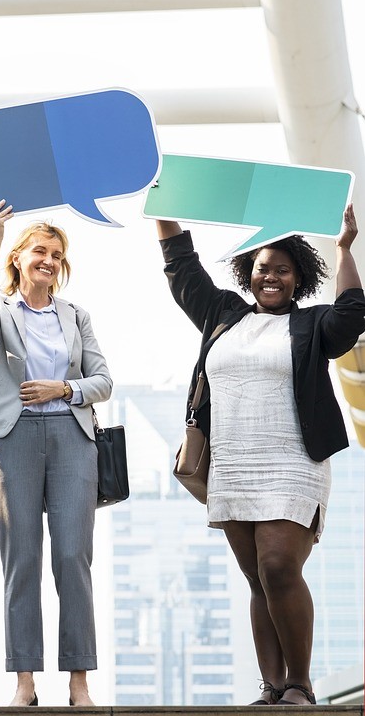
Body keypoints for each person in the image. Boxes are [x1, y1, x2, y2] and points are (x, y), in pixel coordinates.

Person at [155, 204, 364, 705]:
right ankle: (272, 687)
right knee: (256, 578)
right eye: (263, 267)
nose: (270, 275)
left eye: (282, 269)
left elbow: (353, 313)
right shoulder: (222, 314)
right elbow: (181, 266)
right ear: (248, 272)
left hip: (293, 461)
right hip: (232, 460)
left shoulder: (313, 325)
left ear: (298, 279)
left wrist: (343, 248)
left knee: (277, 567)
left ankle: (300, 684)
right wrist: (160, 207)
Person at [0, 198, 112, 707]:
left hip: (73, 440)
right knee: (21, 559)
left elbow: (103, 381)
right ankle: (25, 681)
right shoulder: (0, 312)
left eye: (55, 253)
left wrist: (62, 390)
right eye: (38, 251)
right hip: (14, 439)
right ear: (20, 259)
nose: (47, 260)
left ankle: (79, 682)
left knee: (73, 558)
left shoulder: (77, 315)